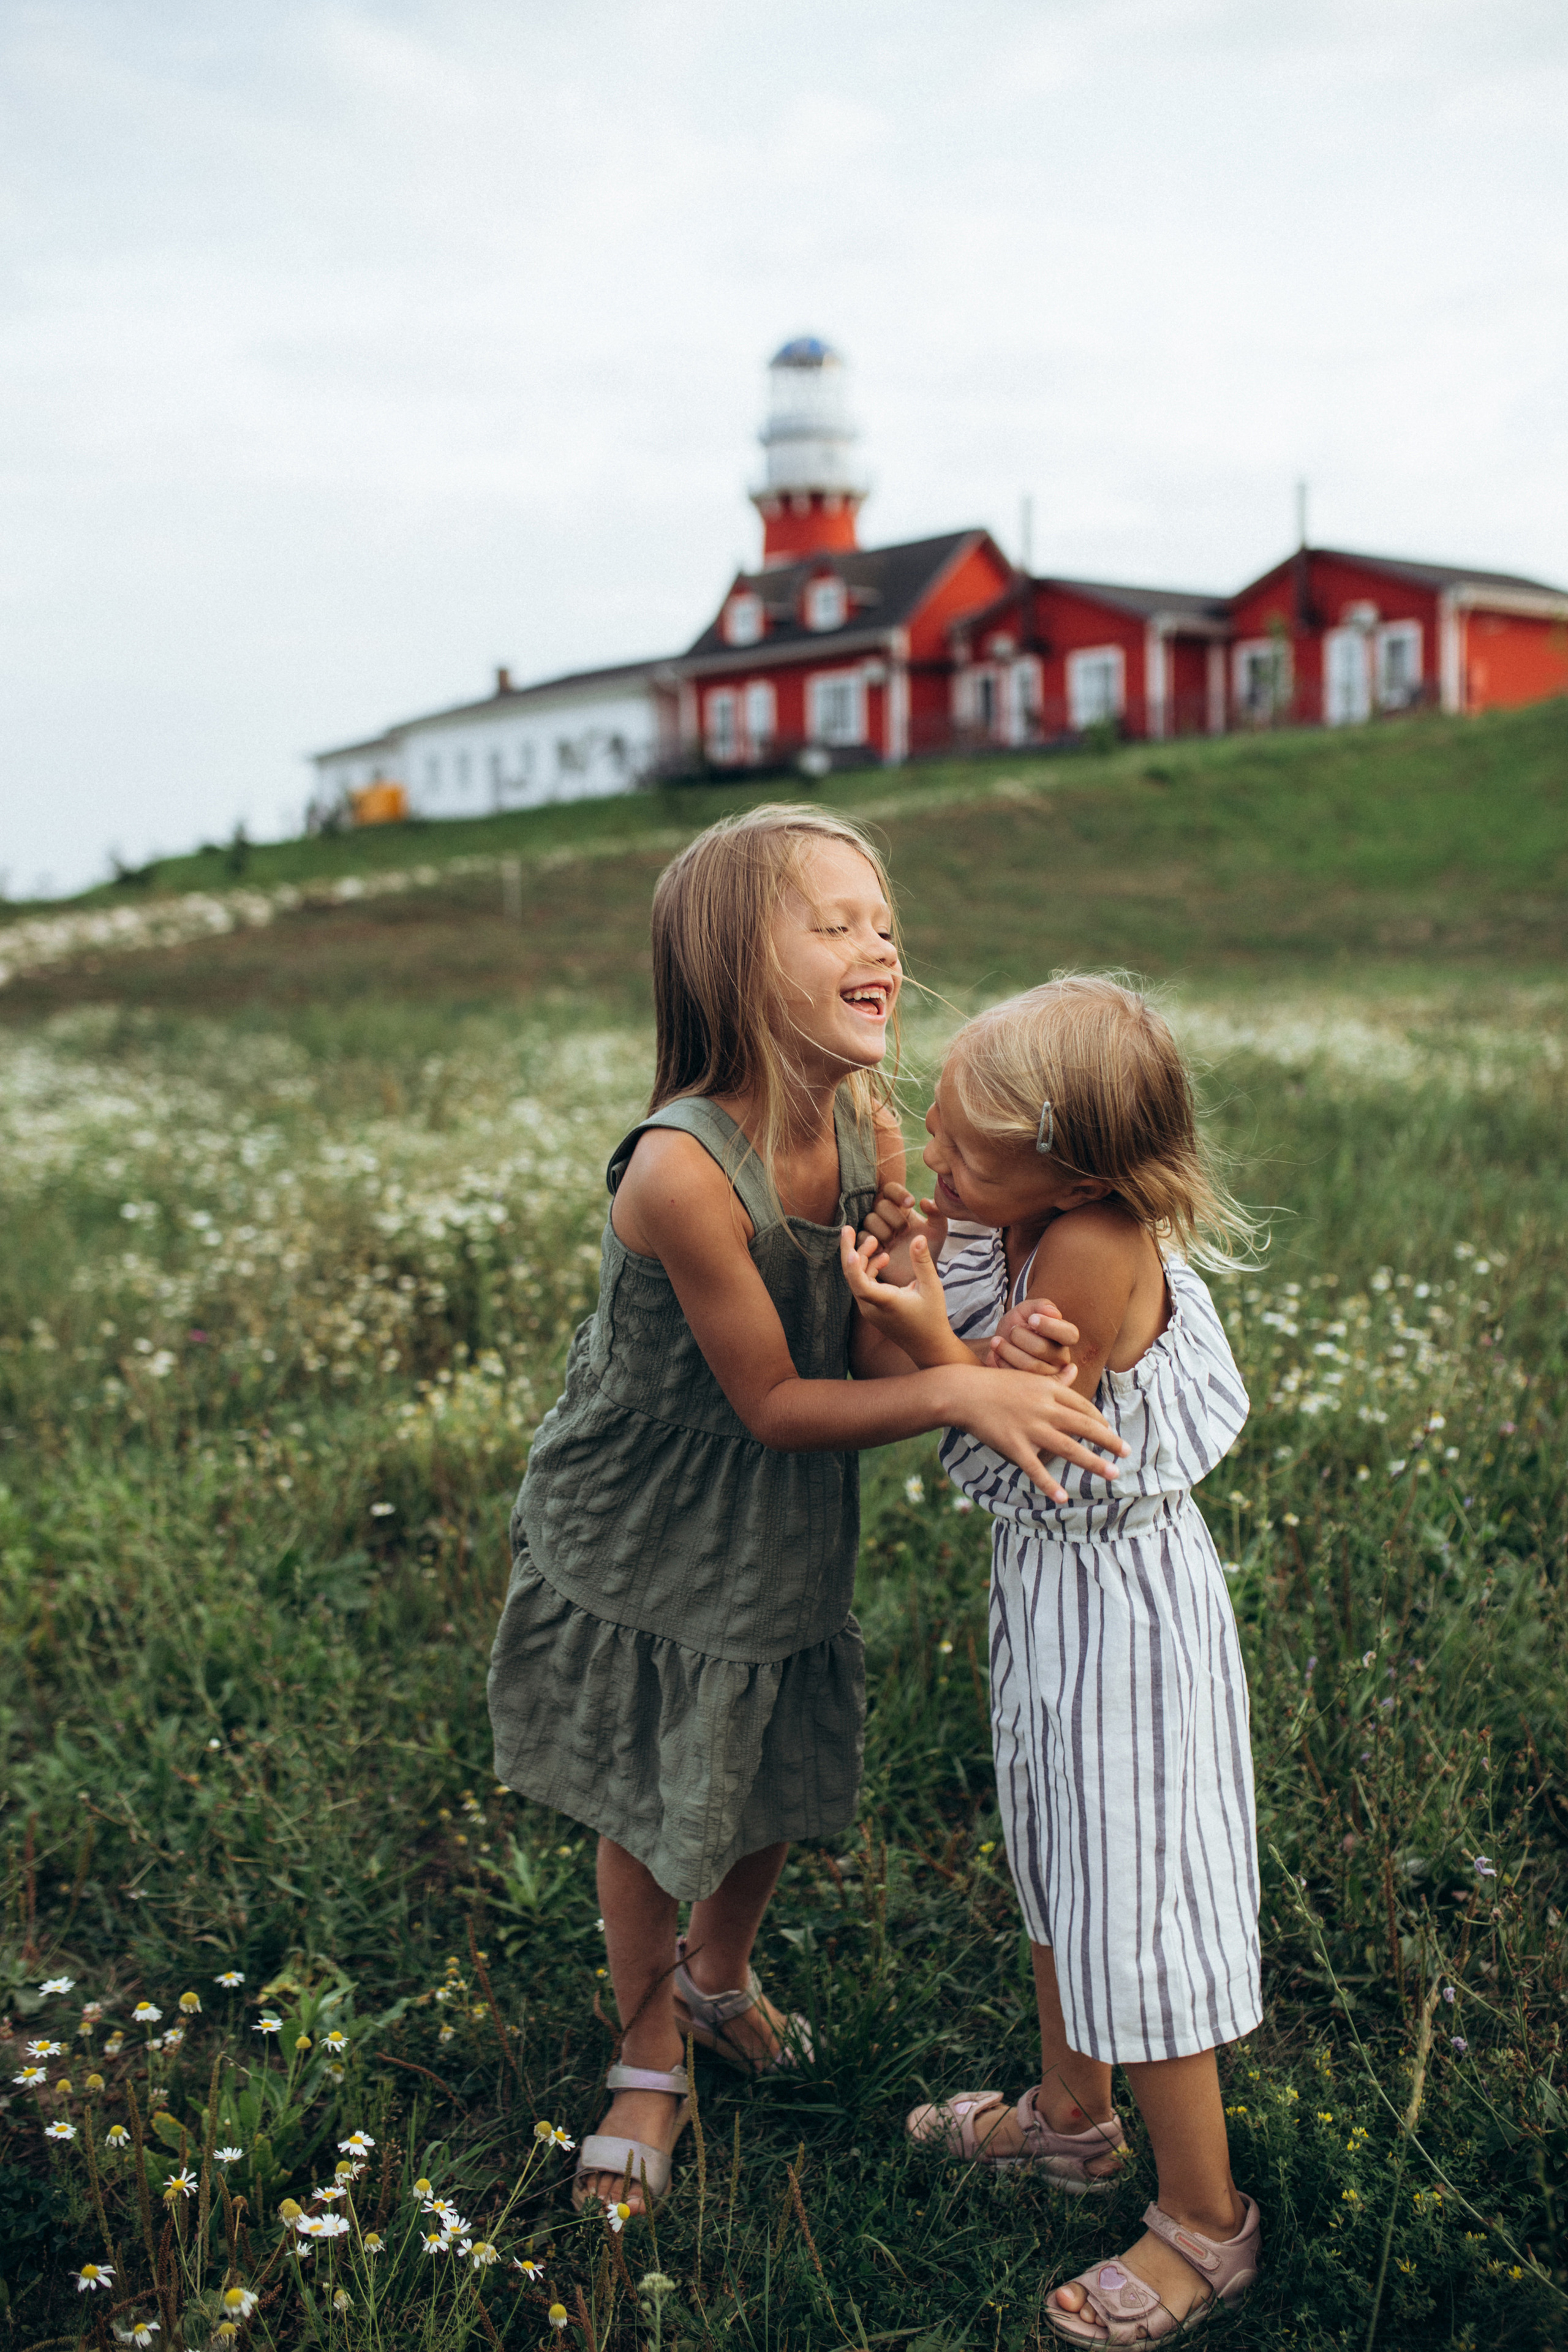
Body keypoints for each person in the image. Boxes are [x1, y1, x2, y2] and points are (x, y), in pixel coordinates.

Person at [487, 811, 1128, 2219]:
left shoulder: (862, 1128)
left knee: (767, 1747)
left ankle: (718, 1980)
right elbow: (775, 1399)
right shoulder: (679, 1168)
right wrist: (964, 1405)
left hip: (778, 1519)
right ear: (732, 966)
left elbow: (871, 1353)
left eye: (882, 920)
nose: (878, 946)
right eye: (832, 924)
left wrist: (948, 1345)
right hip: (657, 1512)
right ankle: (647, 2043)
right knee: (655, 1790)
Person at [844, 974, 1263, 2343]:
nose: (939, 1160)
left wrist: (928, 1340)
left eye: (966, 1147)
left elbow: (1028, 1458)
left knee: (1133, 1899)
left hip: (1124, 1610)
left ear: (1074, 1168)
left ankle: (1205, 2219)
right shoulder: (1019, 1213)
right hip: (1052, 1598)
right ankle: (1072, 2122)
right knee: (1056, 1866)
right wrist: (937, 1273)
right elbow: (968, 1363)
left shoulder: (1090, 1242)